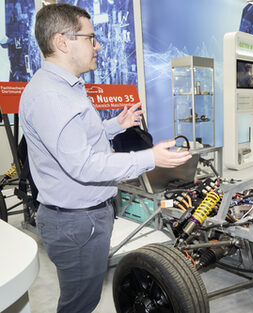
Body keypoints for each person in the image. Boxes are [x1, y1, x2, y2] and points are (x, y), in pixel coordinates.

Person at [18, 4, 192, 313]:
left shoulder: (65, 88)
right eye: (90, 38)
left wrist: (115, 125)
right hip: (76, 223)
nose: (97, 45)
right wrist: (149, 157)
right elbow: (82, 165)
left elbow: (77, 139)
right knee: (80, 304)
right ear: (62, 42)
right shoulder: (51, 97)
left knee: (84, 297)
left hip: (83, 218)